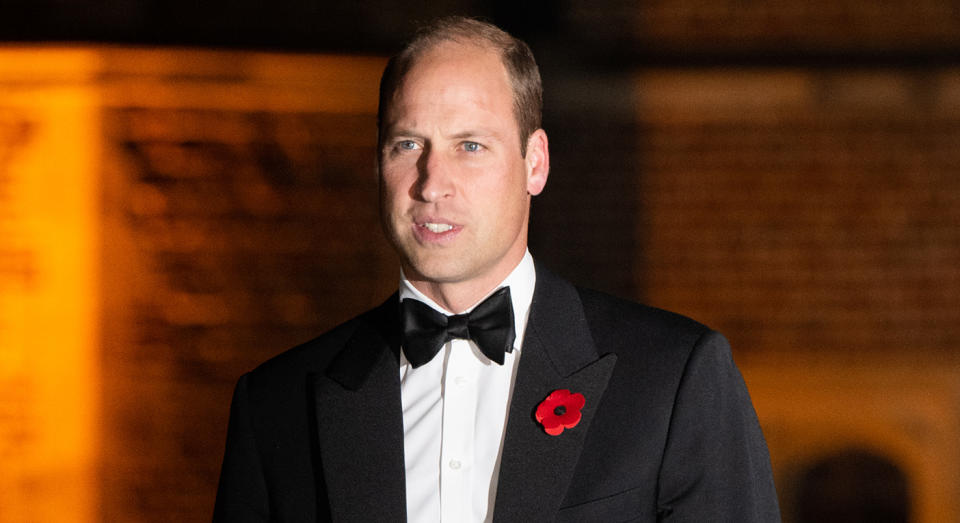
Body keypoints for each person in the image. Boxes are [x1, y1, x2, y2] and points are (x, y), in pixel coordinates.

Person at [213, 16, 780, 523]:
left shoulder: (674, 379)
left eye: (471, 146)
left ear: (535, 163)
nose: (432, 183)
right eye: (408, 144)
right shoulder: (276, 406)